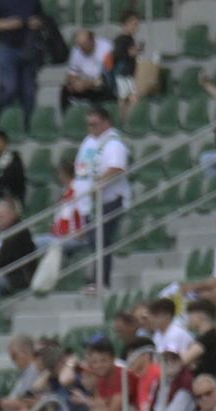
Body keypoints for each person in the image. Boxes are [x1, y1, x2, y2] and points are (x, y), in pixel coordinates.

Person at [74, 106, 131, 290]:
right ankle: (95, 278)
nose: (91, 128)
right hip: (93, 201)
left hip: (111, 198)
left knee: (102, 239)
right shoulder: (89, 141)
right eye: (88, 124)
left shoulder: (114, 143)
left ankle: (100, 280)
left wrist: (98, 184)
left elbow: (117, 167)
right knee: (95, 240)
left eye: (94, 124)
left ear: (106, 122)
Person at [0, 0, 44, 131]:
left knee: (29, 92)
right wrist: (8, 24)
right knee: (9, 88)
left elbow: (41, 18)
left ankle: (28, 127)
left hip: (28, 48)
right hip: (8, 48)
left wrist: (37, 22)